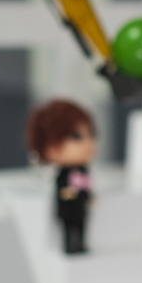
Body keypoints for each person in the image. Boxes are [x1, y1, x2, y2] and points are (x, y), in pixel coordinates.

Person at [25, 100, 97, 254]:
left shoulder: (83, 170)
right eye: (76, 137)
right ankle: (70, 246)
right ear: (51, 147)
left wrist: (88, 197)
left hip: (80, 209)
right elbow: (63, 189)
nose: (89, 143)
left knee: (81, 226)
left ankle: (80, 245)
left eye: (92, 135)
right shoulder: (64, 174)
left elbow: (86, 187)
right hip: (69, 210)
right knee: (69, 228)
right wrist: (69, 193)